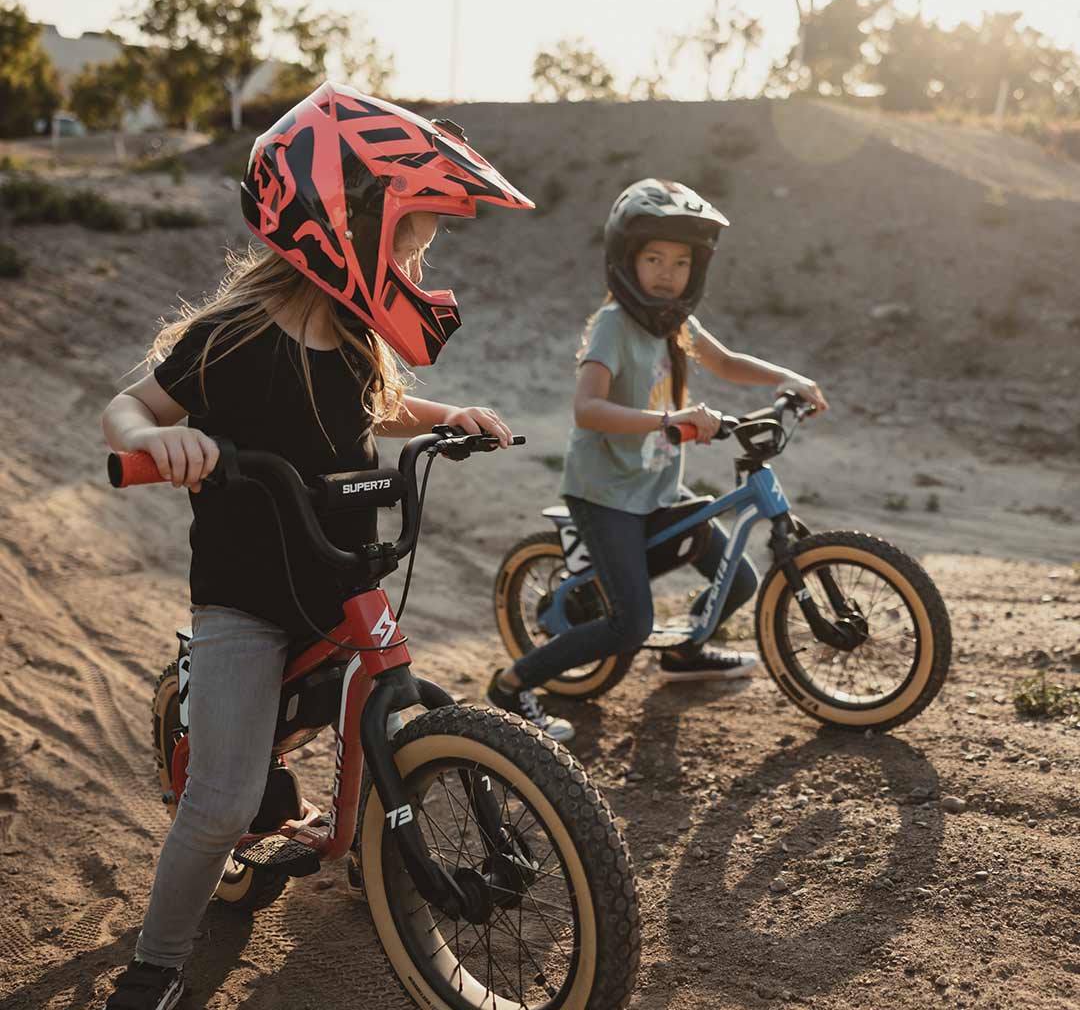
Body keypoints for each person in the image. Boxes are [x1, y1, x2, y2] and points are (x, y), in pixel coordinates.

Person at [98, 83, 532, 1010]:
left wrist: (443, 415)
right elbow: (125, 406)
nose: (419, 256)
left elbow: (376, 406)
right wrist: (155, 440)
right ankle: (157, 964)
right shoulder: (230, 337)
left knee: (388, 708)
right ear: (343, 221)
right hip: (247, 597)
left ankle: (364, 840)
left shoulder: (354, 335)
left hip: (339, 579)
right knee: (217, 805)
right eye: (410, 234)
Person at [486, 178, 828, 742]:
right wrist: (668, 421)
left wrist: (786, 377)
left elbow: (724, 360)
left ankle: (684, 654)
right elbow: (587, 409)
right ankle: (510, 684)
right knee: (629, 623)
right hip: (604, 495)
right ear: (626, 259)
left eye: (682, 261)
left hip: (656, 490)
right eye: (653, 258)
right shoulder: (614, 326)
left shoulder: (675, 323)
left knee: (737, 580)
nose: (668, 272)